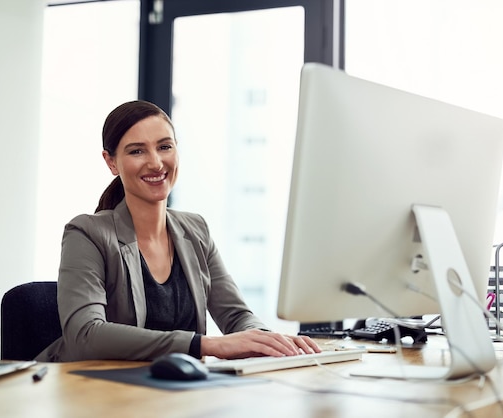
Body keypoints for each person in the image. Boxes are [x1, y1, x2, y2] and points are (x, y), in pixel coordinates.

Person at [36, 100, 321, 362]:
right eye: (137, 151)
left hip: (174, 390)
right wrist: (205, 345)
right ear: (111, 162)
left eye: (165, 147)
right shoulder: (87, 233)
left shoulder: (195, 229)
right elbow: (86, 335)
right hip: (96, 391)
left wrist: (268, 341)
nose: (156, 162)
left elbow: (236, 316)